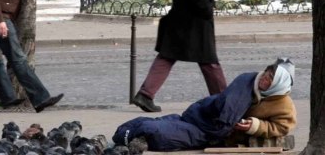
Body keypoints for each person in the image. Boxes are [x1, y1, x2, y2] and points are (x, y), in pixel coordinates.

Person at [132, 0, 226, 113]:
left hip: (179, 18)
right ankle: (224, 100)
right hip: (194, 21)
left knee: (167, 56)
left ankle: (145, 93)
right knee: (209, 61)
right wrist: (209, 6)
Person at [113, 58, 297, 151]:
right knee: (152, 124)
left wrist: (254, 126)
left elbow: (281, 127)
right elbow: (225, 106)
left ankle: (130, 137)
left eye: (271, 79)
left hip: (211, 131)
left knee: (156, 130)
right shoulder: (248, 81)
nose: (265, 79)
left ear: (278, 84)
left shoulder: (283, 104)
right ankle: (126, 133)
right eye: (266, 73)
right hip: (201, 117)